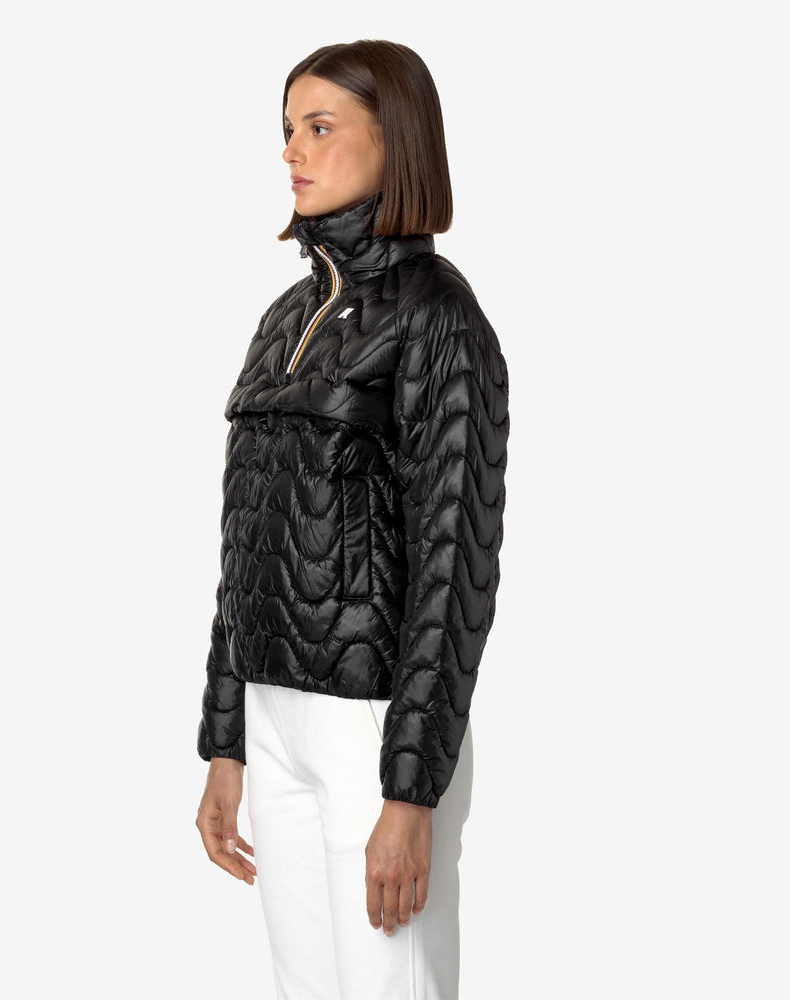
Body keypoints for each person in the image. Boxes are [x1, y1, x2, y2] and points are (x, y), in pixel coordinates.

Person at [195, 39, 510, 1000]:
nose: (292, 150)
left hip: (372, 723)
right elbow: (245, 541)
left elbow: (456, 564)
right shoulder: (283, 319)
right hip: (273, 712)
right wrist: (225, 741)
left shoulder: (438, 317)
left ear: (395, 140)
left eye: (320, 127)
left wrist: (409, 791)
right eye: (288, 128)